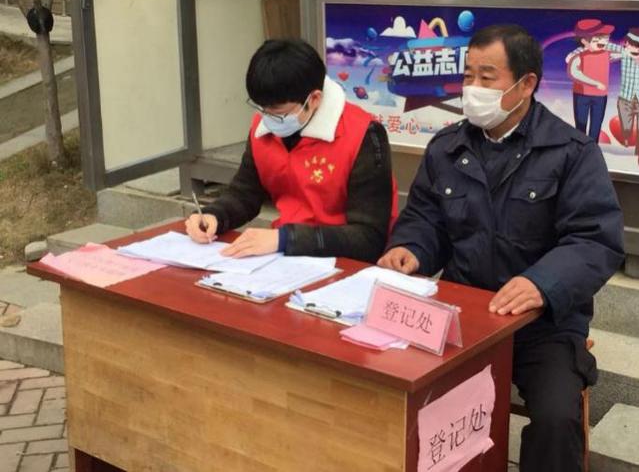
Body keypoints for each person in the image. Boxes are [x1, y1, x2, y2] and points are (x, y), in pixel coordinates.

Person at [378, 24, 624, 472]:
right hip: (462, 315)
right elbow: (426, 219)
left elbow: (595, 239)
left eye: (487, 77)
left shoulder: (571, 152)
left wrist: (541, 284)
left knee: (556, 420)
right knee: (403, 397)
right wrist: (410, 249)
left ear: (526, 84)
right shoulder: (447, 147)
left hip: (542, 326)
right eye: (467, 76)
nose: (472, 88)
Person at [185, 38, 397, 261]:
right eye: (262, 109)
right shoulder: (264, 126)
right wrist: (214, 216)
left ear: (314, 99)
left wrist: (284, 239)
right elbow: (245, 193)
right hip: (286, 259)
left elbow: (368, 238)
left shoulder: (363, 135)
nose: (269, 119)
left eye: (279, 114)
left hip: (346, 264)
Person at [567, 19, 615, 142]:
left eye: (605, 38)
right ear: (584, 41)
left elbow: (623, 53)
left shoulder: (606, 53)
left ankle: (592, 149)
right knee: (581, 125)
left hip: (600, 96)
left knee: (596, 126)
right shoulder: (579, 56)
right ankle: (580, 148)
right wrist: (595, 83)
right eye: (598, 38)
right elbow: (574, 73)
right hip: (582, 95)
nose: (603, 41)